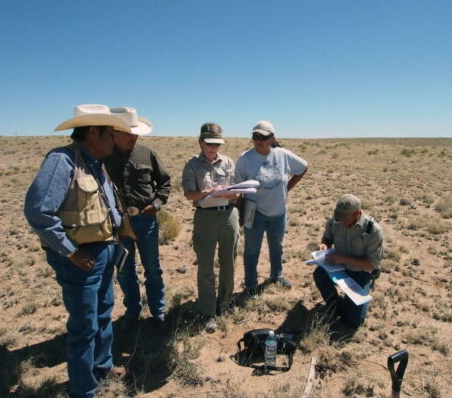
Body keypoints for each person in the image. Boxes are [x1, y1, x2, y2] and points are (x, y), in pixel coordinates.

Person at [24, 104, 131, 398]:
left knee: (103, 314)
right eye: (110, 133)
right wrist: (70, 251)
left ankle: (102, 366)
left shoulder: (96, 163)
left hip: (104, 252)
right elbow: (38, 212)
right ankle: (84, 390)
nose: (114, 139)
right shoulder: (62, 161)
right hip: (80, 260)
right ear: (93, 132)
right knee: (84, 326)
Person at [103, 107, 170, 330]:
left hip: (146, 220)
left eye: (135, 132)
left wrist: (157, 204)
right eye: (128, 133)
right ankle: (132, 312)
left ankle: (158, 311)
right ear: (114, 133)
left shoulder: (146, 153)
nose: (134, 136)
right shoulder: (102, 157)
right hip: (117, 224)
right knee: (124, 269)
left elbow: (165, 183)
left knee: (152, 268)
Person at [235, 120, 308, 298]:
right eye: (255, 136)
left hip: (278, 211)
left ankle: (277, 275)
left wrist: (287, 188)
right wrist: (240, 215)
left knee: (277, 246)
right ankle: (251, 285)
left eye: (263, 137)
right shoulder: (245, 159)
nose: (258, 140)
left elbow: (303, 168)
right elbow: (237, 189)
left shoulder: (282, 155)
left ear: (272, 138)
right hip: (254, 212)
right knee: (252, 249)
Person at [181, 123, 239, 333]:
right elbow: (189, 194)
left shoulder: (229, 162)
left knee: (228, 262)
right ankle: (207, 311)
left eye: (217, 144)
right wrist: (209, 192)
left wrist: (230, 193)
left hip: (228, 215)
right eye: (209, 144)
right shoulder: (192, 165)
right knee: (206, 267)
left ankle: (225, 303)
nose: (213, 148)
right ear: (201, 143)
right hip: (205, 218)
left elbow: (238, 192)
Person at [313, 194, 384, 329]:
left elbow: (372, 264)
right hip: (338, 268)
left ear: (357, 213)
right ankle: (335, 305)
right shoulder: (336, 221)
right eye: (338, 217)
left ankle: (352, 304)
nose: (341, 221)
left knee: (353, 323)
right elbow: (327, 239)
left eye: (344, 218)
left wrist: (344, 259)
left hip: (360, 272)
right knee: (319, 275)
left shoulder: (373, 231)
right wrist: (324, 246)